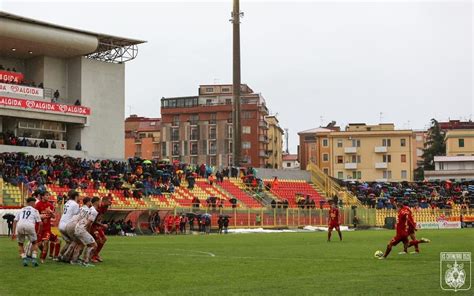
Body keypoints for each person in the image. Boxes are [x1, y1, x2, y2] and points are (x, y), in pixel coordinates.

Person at [12, 197, 43, 267]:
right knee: (34, 243)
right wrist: (38, 232)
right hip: (29, 226)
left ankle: (24, 259)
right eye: (34, 203)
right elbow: (40, 223)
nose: (35, 204)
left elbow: (15, 221)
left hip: (20, 226)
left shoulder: (21, 210)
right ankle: (34, 259)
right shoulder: (35, 211)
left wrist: (13, 232)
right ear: (31, 203)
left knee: (20, 244)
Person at [73, 197, 99, 267]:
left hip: (77, 227)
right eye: (99, 202)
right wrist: (88, 232)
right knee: (93, 245)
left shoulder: (83, 208)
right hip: (82, 229)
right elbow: (89, 223)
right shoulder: (93, 211)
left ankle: (74, 260)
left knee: (80, 244)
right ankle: (85, 261)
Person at [58, 190, 80, 261]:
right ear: (76, 196)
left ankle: (60, 255)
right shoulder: (75, 204)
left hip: (61, 224)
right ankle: (66, 257)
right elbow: (76, 216)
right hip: (67, 225)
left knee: (68, 242)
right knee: (75, 241)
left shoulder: (67, 202)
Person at [35, 191, 56, 263]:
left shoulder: (51, 205)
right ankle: (44, 252)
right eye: (47, 195)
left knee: (46, 241)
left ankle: (42, 258)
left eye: (49, 195)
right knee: (39, 244)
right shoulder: (37, 205)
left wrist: (51, 212)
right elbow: (35, 216)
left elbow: (53, 216)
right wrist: (41, 216)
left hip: (47, 228)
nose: (48, 197)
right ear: (42, 196)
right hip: (39, 228)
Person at [90, 196, 112, 263]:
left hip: (97, 225)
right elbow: (93, 220)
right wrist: (102, 225)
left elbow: (99, 218)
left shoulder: (105, 207)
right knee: (98, 240)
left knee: (104, 239)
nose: (110, 202)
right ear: (104, 201)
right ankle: (91, 256)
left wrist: (100, 224)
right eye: (109, 201)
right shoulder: (98, 207)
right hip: (92, 226)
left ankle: (96, 255)